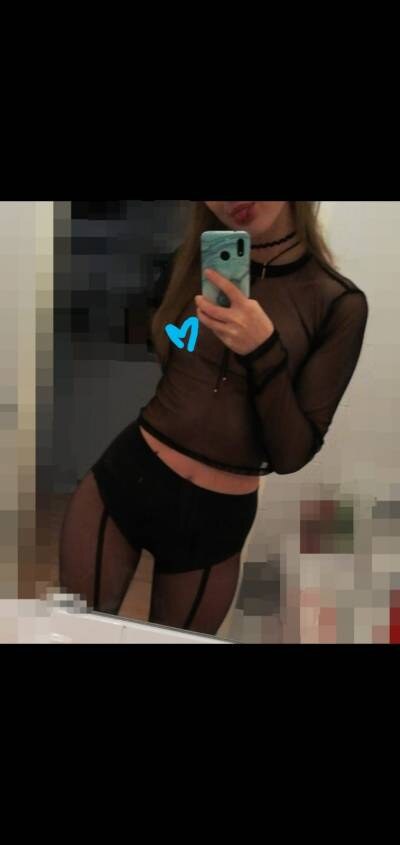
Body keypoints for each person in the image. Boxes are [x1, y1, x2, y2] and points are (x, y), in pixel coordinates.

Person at [59, 201, 369, 635]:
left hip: (216, 518)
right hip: (128, 476)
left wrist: (263, 350)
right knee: (74, 635)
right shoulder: (188, 266)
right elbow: (168, 351)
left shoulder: (337, 303)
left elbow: (291, 454)